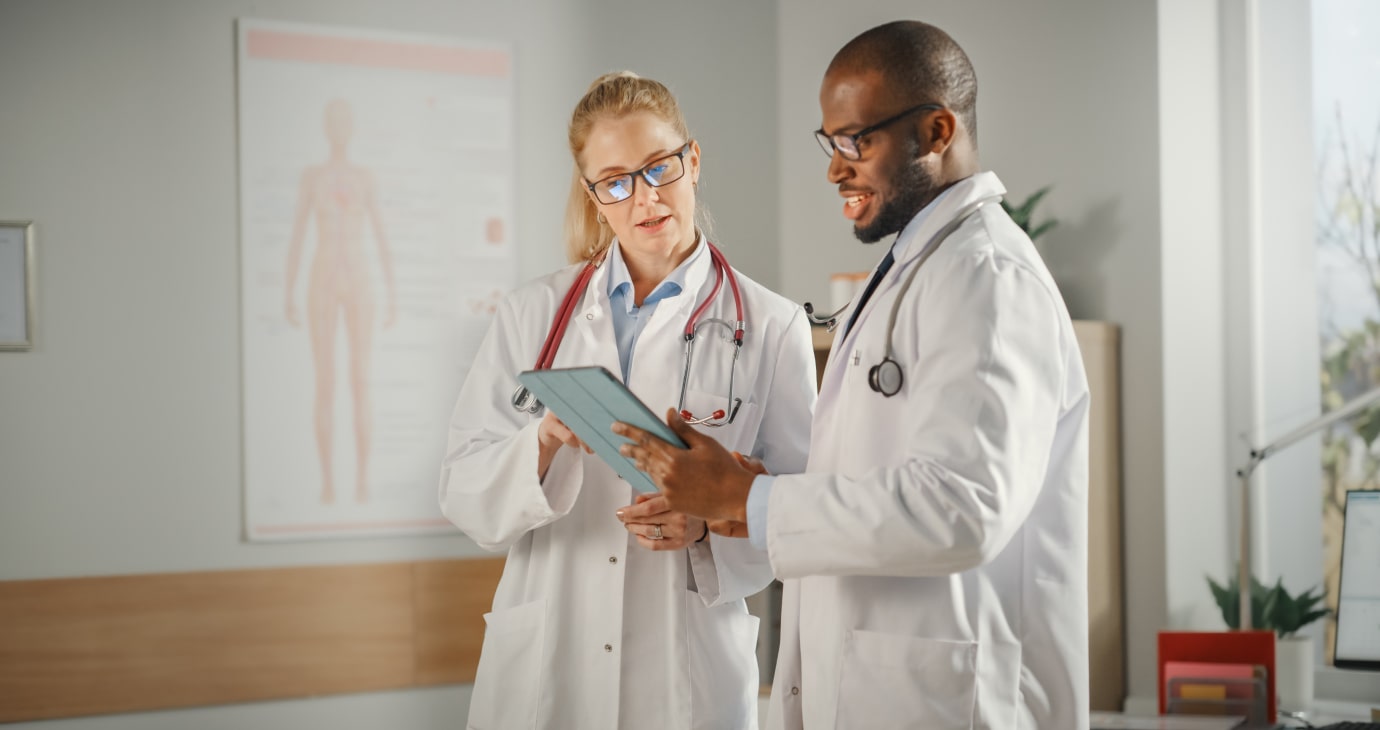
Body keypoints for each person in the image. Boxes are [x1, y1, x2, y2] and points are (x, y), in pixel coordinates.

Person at [615, 21, 1092, 729]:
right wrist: (742, 498)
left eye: (855, 141)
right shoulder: (916, 270)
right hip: (882, 686)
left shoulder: (986, 278)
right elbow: (879, 485)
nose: (835, 167)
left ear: (935, 131)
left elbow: (964, 509)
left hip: (956, 699)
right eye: (829, 142)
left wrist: (755, 500)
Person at [438, 71, 817, 729]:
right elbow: (464, 493)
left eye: (658, 169)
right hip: (550, 658)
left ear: (692, 162)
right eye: (615, 181)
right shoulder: (534, 314)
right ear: (593, 196)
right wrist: (545, 441)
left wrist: (708, 527)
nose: (644, 198)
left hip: (686, 670)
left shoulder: (773, 324)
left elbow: (802, 515)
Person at [283, 98, 397, 504]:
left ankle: (363, 481)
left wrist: (392, 292)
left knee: (361, 379)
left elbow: (382, 236)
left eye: (344, 120)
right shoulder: (311, 176)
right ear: (324, 126)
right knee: (326, 381)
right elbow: (298, 233)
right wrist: (287, 291)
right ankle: (329, 481)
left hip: (360, 278)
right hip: (323, 275)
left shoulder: (364, 177)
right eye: (332, 120)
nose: (338, 127)